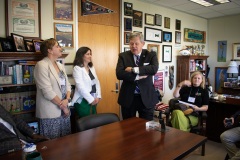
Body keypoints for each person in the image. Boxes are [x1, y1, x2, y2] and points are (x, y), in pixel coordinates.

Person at [116, 32, 159, 121]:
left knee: (147, 129)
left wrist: (133, 69)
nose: (134, 46)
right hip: (128, 98)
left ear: (142, 44)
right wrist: (136, 77)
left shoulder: (151, 55)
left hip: (146, 98)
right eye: (131, 44)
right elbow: (119, 73)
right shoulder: (123, 56)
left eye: (136, 43)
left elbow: (153, 69)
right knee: (128, 128)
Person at [34, 38, 72, 139]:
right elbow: (47, 91)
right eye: (57, 46)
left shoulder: (60, 65)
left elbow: (68, 85)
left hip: (64, 110)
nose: (61, 48)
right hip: (50, 112)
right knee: (52, 146)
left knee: (66, 143)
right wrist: (64, 107)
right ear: (49, 50)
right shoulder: (41, 65)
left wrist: (67, 100)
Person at [71, 47, 101, 118]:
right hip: (83, 101)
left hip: (94, 98)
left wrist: (98, 96)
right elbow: (80, 87)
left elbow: (97, 82)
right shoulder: (77, 69)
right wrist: (91, 99)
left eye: (90, 54)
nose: (90, 56)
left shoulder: (91, 67)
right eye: (88, 54)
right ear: (81, 55)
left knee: (94, 122)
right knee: (85, 123)